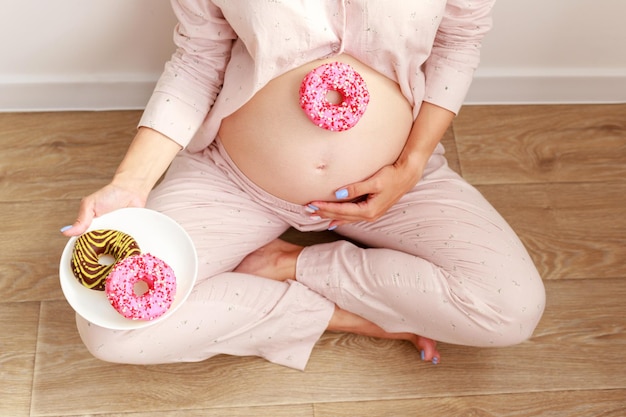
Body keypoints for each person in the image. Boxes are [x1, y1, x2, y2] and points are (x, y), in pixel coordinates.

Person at [61, 0, 545, 370]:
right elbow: (198, 60)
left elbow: (458, 43)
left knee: (512, 309)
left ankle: (287, 262)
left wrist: (411, 166)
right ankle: (339, 313)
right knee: (111, 331)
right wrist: (130, 183)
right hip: (235, 181)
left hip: (397, 178)